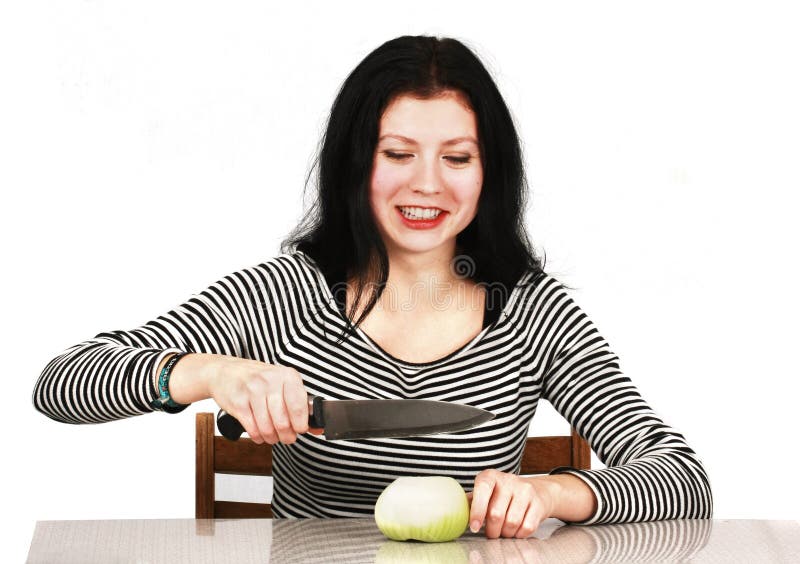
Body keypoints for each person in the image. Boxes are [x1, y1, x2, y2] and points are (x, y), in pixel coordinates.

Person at [33, 35, 712, 538]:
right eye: (397, 154)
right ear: (356, 164)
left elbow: (682, 476)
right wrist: (210, 373)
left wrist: (555, 493)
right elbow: (60, 383)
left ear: (490, 172)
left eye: (457, 158)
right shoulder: (284, 295)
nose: (427, 184)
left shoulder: (534, 312)